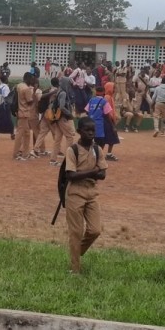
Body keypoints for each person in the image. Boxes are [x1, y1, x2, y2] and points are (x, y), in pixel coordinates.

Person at [62, 117, 108, 275]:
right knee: (76, 232)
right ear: (79, 132)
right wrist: (94, 172)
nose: (90, 133)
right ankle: (75, 269)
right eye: (87, 130)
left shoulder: (97, 149)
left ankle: (76, 252)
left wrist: (93, 173)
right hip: (75, 192)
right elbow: (71, 176)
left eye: (93, 130)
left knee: (95, 230)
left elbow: (103, 174)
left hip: (92, 193)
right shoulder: (72, 150)